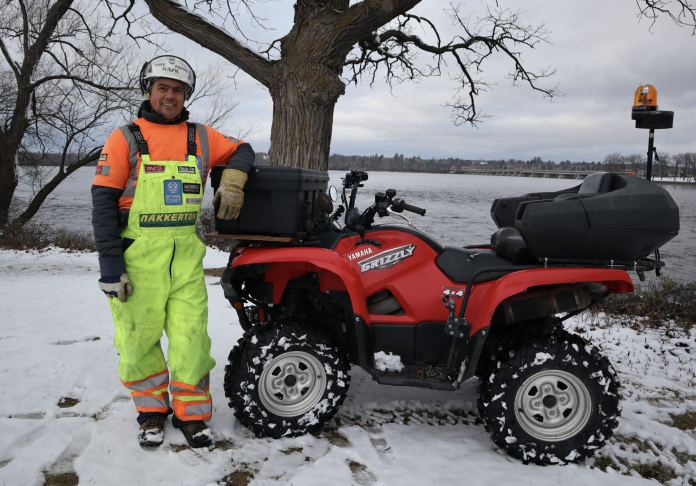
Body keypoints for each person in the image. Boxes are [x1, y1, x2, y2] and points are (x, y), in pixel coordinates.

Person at [91, 55, 254, 448]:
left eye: (177, 90)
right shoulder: (126, 138)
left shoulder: (200, 136)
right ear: (149, 91)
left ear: (186, 96)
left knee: (191, 337)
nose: (170, 95)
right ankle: (151, 412)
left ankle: (192, 416)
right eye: (162, 87)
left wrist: (232, 176)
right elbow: (102, 205)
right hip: (137, 257)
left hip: (185, 257)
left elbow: (243, 149)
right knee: (136, 340)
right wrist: (111, 267)